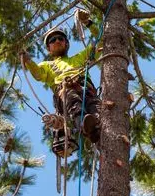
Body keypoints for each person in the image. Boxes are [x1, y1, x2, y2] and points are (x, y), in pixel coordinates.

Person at [20, 10, 101, 155]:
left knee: (96, 107)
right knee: (73, 102)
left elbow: (102, 40)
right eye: (52, 40)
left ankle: (97, 127)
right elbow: (38, 74)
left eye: (60, 39)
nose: (57, 41)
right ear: (49, 49)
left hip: (85, 86)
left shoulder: (79, 57)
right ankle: (84, 125)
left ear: (66, 44)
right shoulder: (47, 65)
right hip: (65, 89)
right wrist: (27, 60)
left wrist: (88, 23)